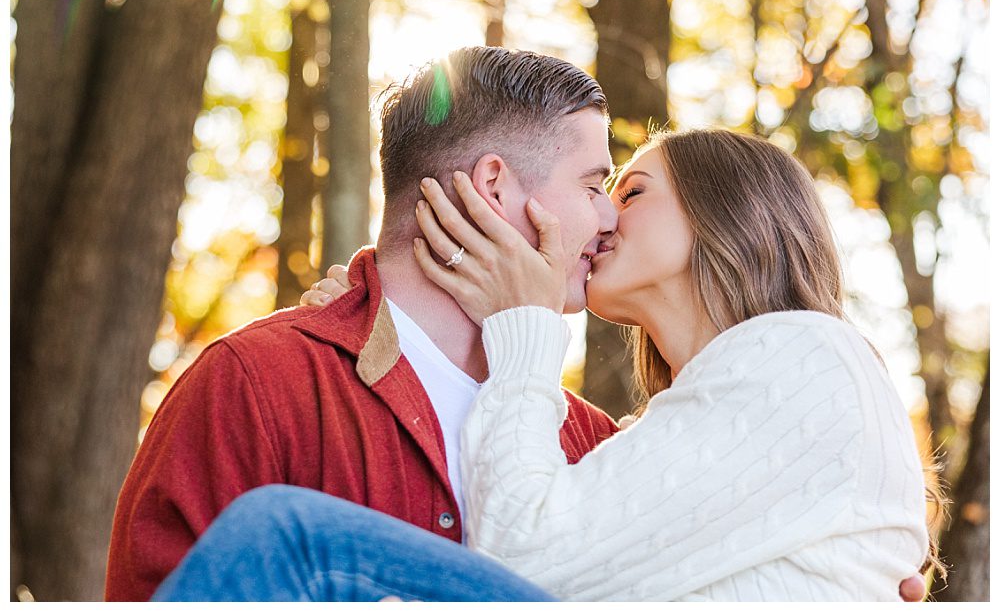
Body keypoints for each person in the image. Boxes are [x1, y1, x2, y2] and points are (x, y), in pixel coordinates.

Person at [154, 129, 935, 601]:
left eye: (628, 191)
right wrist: (363, 313)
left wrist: (522, 325)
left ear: (726, 213)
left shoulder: (806, 352)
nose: (601, 217)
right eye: (599, 189)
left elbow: (527, 565)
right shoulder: (630, 440)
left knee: (288, 538)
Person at [104, 46, 622, 601]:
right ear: (493, 185)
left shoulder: (593, 444)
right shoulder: (255, 385)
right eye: (593, 186)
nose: (611, 218)